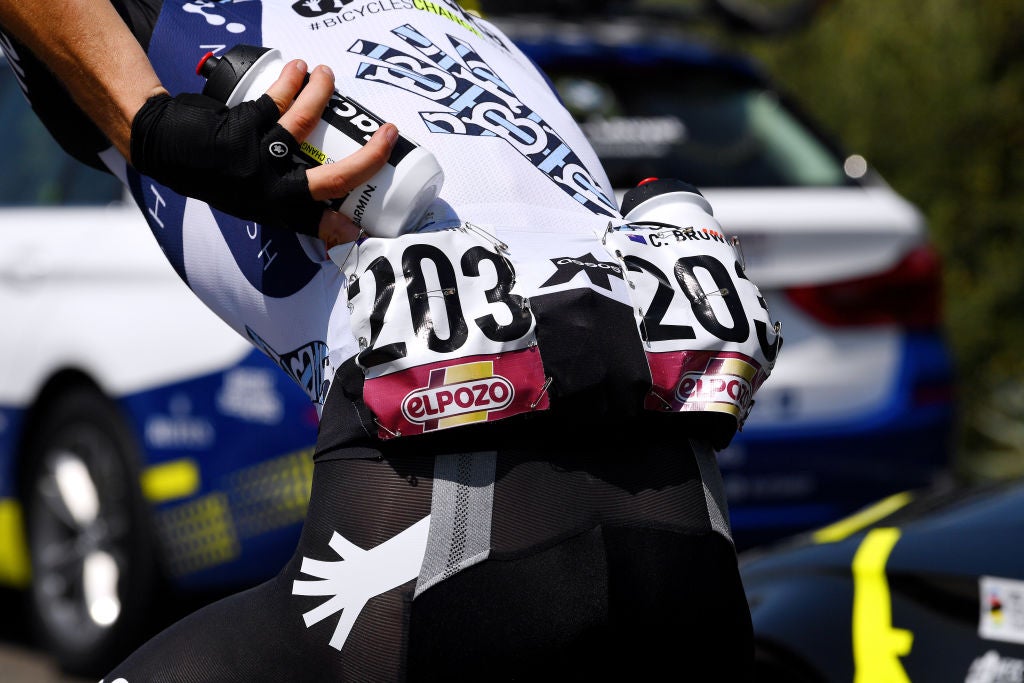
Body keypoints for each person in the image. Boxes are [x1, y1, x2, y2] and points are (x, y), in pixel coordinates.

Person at [0, 1, 780, 680]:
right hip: (685, 528)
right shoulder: (457, 28)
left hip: (432, 530)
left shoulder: (165, 40)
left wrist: (146, 122)